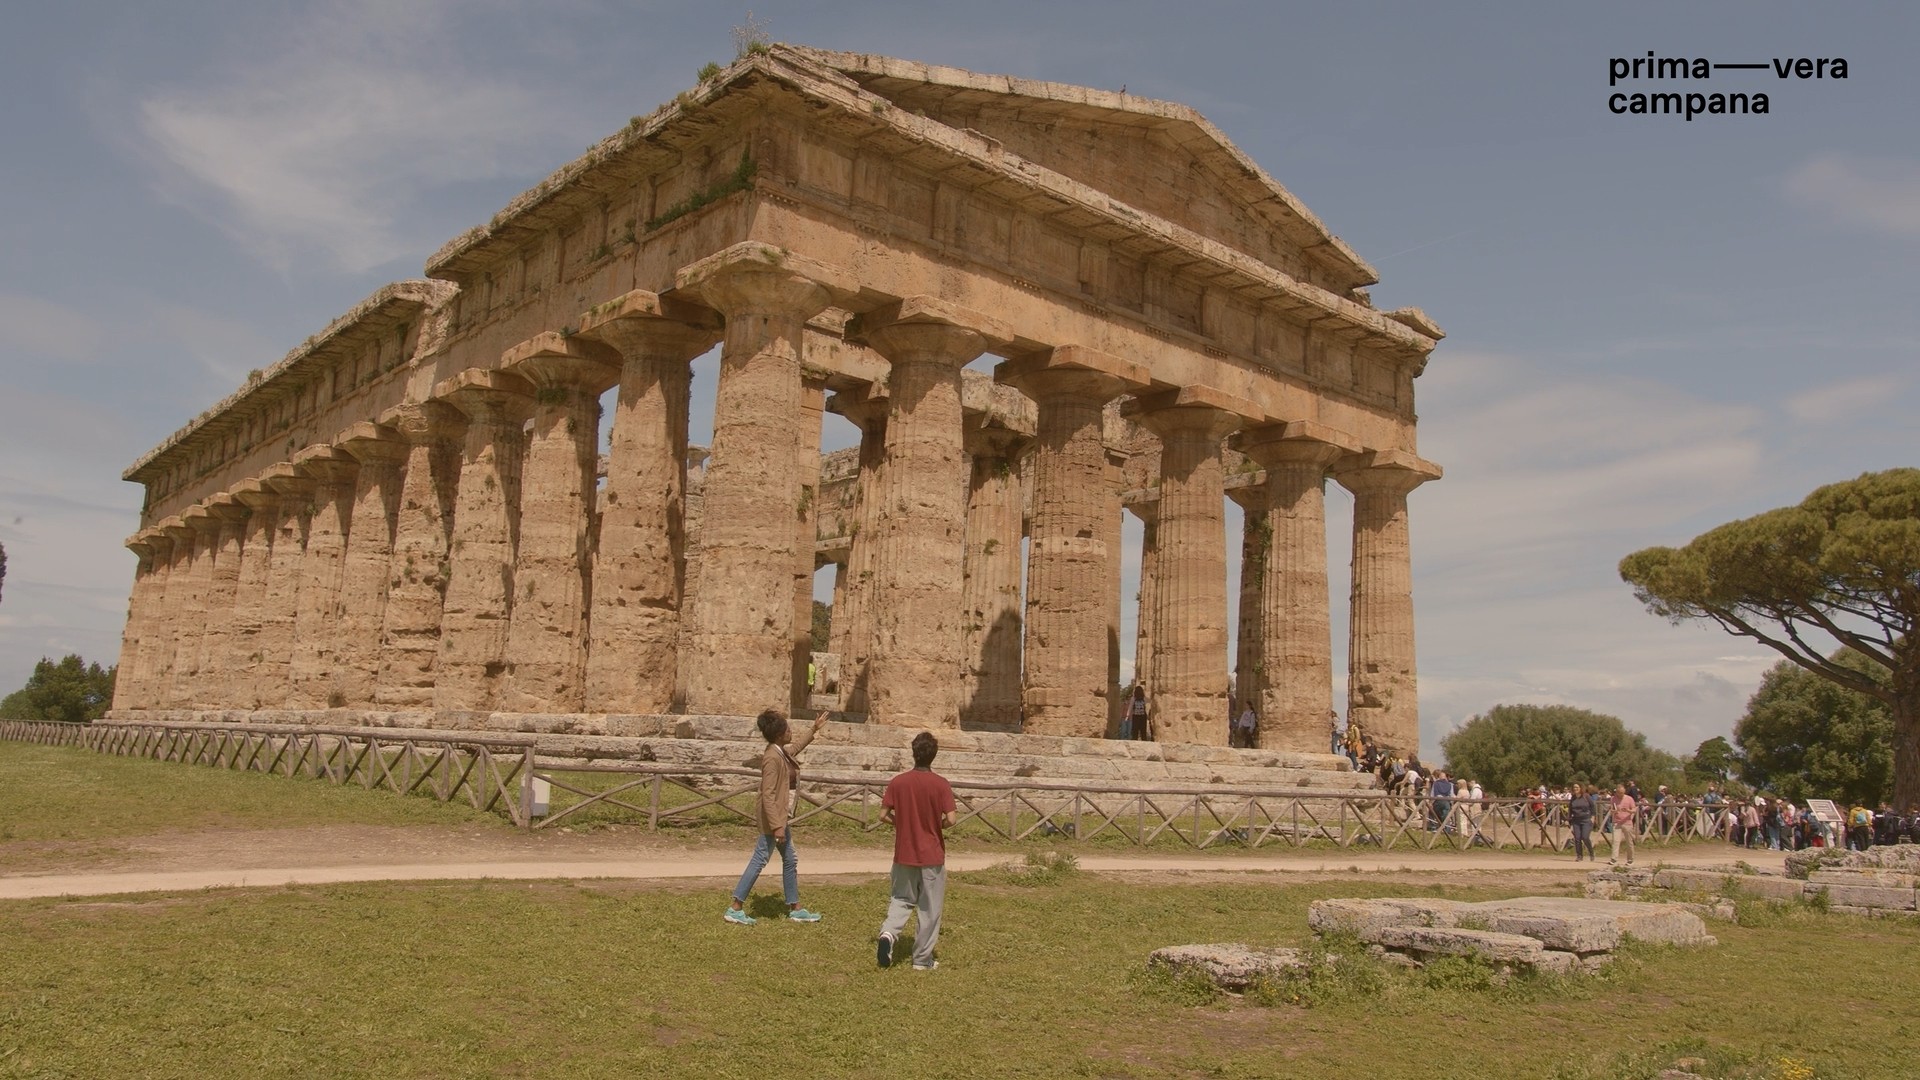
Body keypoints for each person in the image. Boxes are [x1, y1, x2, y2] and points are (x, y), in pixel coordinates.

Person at [726, 709, 827, 925]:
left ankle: (795, 907)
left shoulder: (780, 751)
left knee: (790, 859)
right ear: (780, 734)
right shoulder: (772, 758)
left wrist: (814, 728)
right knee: (760, 859)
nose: (791, 732)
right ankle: (735, 907)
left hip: (780, 818)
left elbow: (797, 747)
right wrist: (777, 827)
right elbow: (768, 795)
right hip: (773, 821)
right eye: (788, 729)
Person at [878, 732, 956, 971]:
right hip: (931, 855)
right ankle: (922, 959)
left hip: (904, 853)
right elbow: (951, 819)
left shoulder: (898, 782)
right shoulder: (941, 784)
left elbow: (882, 815)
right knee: (929, 908)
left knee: (900, 899)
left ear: (913, 753)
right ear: (934, 756)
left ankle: (889, 934)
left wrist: (900, 823)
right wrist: (936, 825)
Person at [1607, 783, 1638, 865]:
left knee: (1629, 841)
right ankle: (1614, 858)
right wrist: (1614, 811)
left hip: (1627, 822)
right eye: (1618, 793)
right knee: (1615, 841)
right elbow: (1611, 809)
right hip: (1616, 822)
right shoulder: (1613, 799)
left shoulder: (1629, 798)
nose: (1620, 794)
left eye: (1622, 793)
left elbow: (1634, 809)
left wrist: (1628, 811)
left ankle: (1630, 859)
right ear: (1616, 792)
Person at [1567, 782, 1597, 861]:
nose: (1575, 789)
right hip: (1576, 820)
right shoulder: (1573, 797)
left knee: (1585, 837)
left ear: (1581, 788)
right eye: (1574, 787)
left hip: (1586, 819)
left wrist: (1593, 817)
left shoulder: (1586, 796)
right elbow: (1570, 808)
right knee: (1577, 838)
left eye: (1577, 787)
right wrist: (1568, 819)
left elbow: (1592, 806)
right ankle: (1579, 856)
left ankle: (1591, 852)